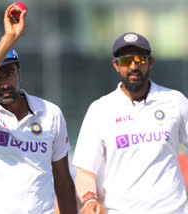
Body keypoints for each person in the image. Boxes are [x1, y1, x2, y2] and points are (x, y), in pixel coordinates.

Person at [0, 3, 77, 214]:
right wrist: (9, 39)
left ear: (19, 71)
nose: (4, 83)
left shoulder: (50, 113)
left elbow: (63, 181)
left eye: (9, 73)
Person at [73, 32, 188, 214]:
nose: (134, 66)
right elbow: (85, 171)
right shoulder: (100, 109)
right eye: (126, 61)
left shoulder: (175, 101)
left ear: (150, 62)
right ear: (116, 65)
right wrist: (89, 200)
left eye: (140, 59)